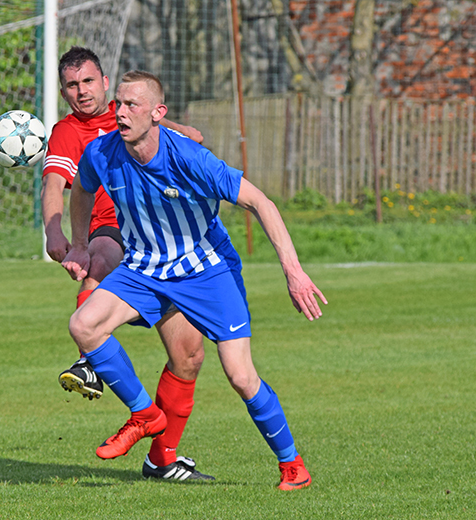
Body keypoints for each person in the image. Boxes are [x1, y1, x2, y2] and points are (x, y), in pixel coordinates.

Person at [62, 70, 327, 490]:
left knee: (240, 376)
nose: (121, 112)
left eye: (132, 105)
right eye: (119, 104)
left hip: (206, 270)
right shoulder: (102, 153)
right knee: (83, 325)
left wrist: (294, 274)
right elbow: (80, 189)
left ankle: (292, 464)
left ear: (157, 113)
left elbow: (262, 202)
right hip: (144, 268)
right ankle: (144, 416)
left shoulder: (189, 158)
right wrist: (78, 243)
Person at [42, 47, 213, 481]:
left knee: (188, 357)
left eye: (87, 82)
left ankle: (162, 460)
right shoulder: (68, 132)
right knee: (99, 256)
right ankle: (88, 359)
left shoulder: (129, 114)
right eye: (71, 85)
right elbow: (55, 185)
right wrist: (56, 232)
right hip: (113, 230)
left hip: (170, 247)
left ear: (105, 82)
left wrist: (167, 124)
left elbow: (187, 136)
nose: (80, 92)